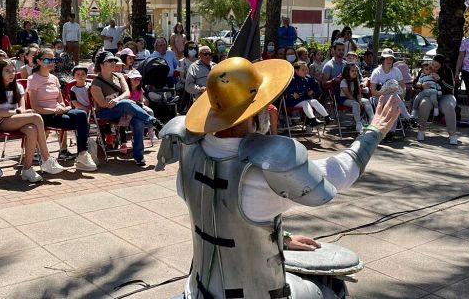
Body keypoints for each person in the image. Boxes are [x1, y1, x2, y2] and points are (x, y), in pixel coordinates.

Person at [155, 56, 400, 299]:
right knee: (331, 289)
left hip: (198, 291)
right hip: (260, 294)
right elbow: (344, 170)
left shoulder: (189, 151)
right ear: (256, 111)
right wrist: (374, 131)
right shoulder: (263, 169)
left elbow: (220, 213)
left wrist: (282, 237)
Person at [0, 59, 65, 182]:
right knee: (36, 117)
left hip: (17, 120)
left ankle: (27, 170)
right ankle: (46, 158)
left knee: (32, 129)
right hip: (1, 122)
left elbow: (22, 108)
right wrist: (17, 113)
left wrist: (18, 113)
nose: (11, 74)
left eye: (13, 71)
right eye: (7, 71)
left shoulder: (18, 86)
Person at [28, 48, 97, 171]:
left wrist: (60, 107)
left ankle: (82, 154)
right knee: (77, 123)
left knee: (81, 114)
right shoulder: (33, 79)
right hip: (44, 115)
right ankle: (81, 153)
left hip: (58, 112)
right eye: (47, 59)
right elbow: (35, 106)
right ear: (38, 61)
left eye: (53, 59)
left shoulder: (54, 78)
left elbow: (60, 100)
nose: (51, 62)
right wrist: (54, 111)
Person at [90, 51, 161, 166]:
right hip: (106, 112)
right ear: (101, 65)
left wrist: (117, 100)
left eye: (114, 60)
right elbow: (102, 103)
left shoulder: (119, 76)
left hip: (123, 108)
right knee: (125, 104)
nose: (114, 63)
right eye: (110, 61)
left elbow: (127, 93)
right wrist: (118, 102)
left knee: (137, 121)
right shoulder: (96, 83)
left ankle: (138, 156)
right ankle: (152, 121)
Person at [370, 48, 417, 142]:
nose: (389, 60)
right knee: (393, 98)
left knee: (394, 101)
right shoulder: (377, 72)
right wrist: (387, 92)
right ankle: (408, 118)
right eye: (386, 58)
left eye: (391, 59)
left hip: (394, 98)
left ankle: (390, 133)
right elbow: (373, 92)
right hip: (379, 97)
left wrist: (402, 96)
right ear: (382, 60)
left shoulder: (396, 71)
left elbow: (402, 86)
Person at [416, 54, 458, 144]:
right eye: (433, 65)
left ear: (441, 65)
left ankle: (452, 135)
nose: (434, 68)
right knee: (424, 104)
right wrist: (421, 86)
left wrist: (440, 80)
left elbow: (451, 87)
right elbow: (415, 84)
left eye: (437, 67)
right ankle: (421, 130)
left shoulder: (447, 70)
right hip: (428, 95)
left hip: (445, 96)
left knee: (449, 107)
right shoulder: (425, 68)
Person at [285, 61, 332, 127]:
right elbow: (284, 89)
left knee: (314, 101)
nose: (305, 71)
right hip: (293, 101)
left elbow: (316, 85)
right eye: (303, 70)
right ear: (296, 70)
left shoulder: (308, 77)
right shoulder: (291, 79)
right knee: (305, 103)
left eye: (306, 69)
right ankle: (313, 119)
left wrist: (312, 90)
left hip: (304, 98)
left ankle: (327, 117)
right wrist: (291, 93)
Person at [339, 63, 374, 133]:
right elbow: (348, 95)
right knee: (355, 104)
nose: (355, 72)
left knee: (366, 101)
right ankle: (358, 123)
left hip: (354, 98)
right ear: (347, 72)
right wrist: (358, 102)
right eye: (352, 71)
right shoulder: (344, 82)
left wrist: (360, 100)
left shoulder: (356, 80)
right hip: (344, 99)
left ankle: (372, 119)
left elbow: (358, 93)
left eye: (356, 71)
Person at [177, 41, 198, 114]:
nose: (193, 50)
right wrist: (190, 83)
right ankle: (181, 111)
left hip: (199, 83)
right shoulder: (182, 62)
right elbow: (182, 78)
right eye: (190, 48)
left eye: (194, 48)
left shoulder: (199, 61)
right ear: (186, 49)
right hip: (186, 82)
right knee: (188, 89)